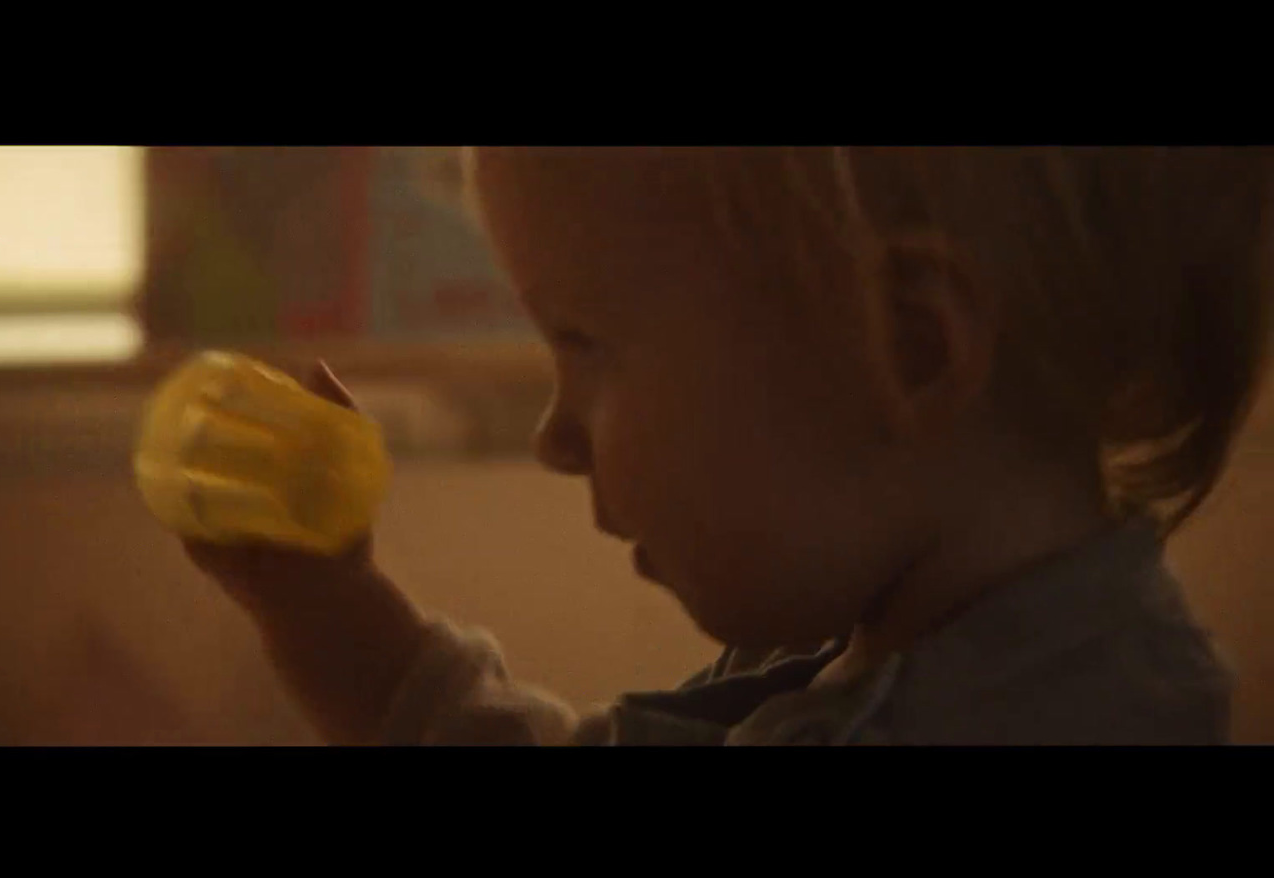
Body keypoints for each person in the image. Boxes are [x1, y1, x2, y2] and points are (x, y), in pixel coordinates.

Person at [188, 147, 1271, 745]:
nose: (555, 437)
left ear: (907, 342)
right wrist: (332, 613)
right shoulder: (881, 658)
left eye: (589, 344)